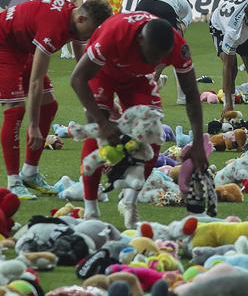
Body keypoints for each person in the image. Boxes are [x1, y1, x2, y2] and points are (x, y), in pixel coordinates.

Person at [70, 12, 208, 225]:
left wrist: (198, 142)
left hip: (137, 79)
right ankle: (90, 210)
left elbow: (191, 93)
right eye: (152, 56)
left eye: (161, 58)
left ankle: (129, 201)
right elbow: (77, 78)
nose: (156, 62)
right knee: (97, 131)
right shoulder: (114, 35)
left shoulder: (177, 46)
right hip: (103, 74)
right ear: (140, 40)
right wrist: (103, 123)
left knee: (153, 132)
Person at [0, 0, 112, 198]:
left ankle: (29, 173)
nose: (92, 36)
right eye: (92, 30)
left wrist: (102, 100)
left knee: (49, 104)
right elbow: (35, 82)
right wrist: (33, 125)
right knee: (16, 107)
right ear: (81, 19)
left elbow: (83, 66)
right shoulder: (53, 27)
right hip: (3, 45)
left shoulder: (76, 20)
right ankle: (13, 182)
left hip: (21, 47)